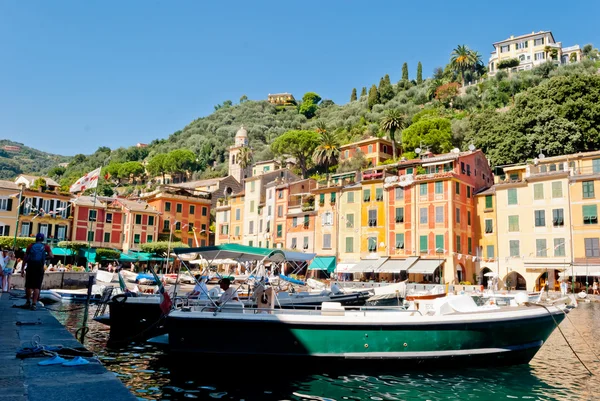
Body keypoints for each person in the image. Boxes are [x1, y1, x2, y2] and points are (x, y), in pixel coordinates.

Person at [22, 233, 53, 310]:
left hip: (30, 267)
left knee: (28, 285)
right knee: (37, 287)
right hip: (39, 268)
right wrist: (44, 257)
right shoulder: (46, 246)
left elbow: (25, 258)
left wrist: (22, 269)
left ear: (36, 239)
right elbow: (52, 256)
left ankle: (28, 301)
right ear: (43, 239)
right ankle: (34, 304)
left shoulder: (30, 246)